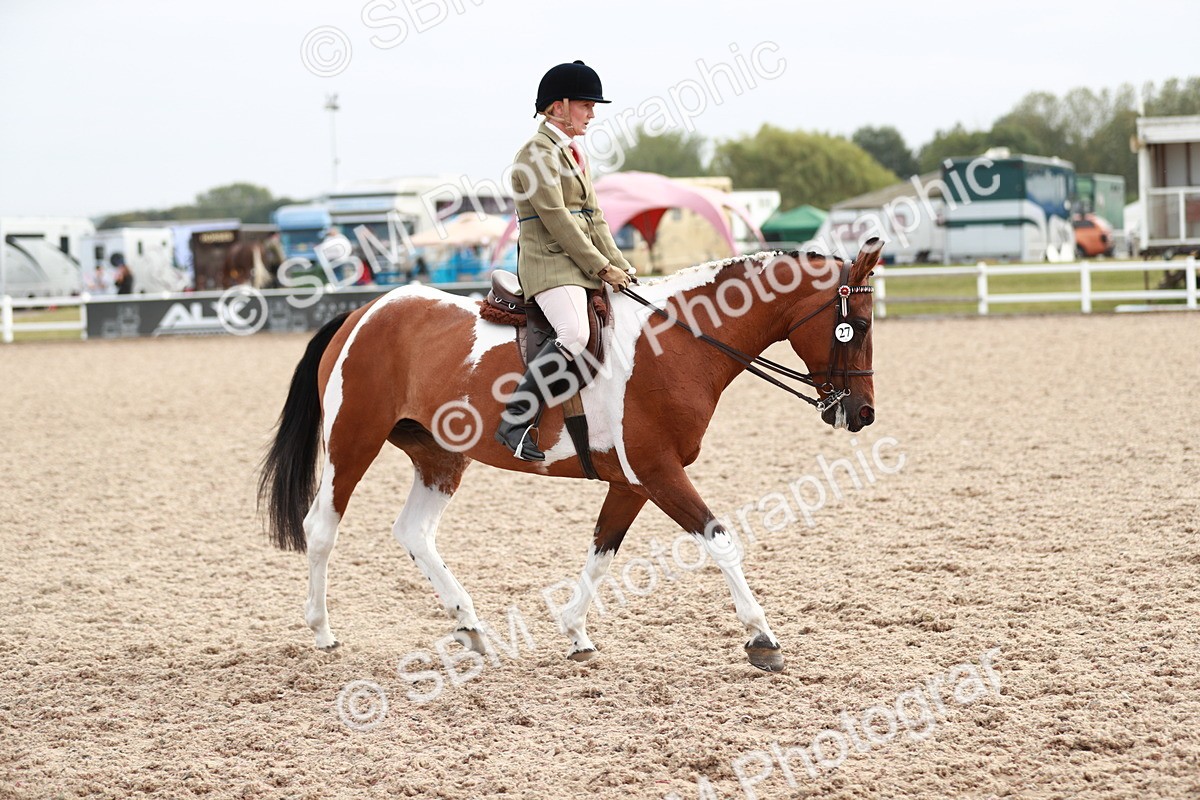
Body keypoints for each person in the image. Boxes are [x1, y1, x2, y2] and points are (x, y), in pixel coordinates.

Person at [494, 60, 636, 462]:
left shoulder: (574, 152)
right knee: (573, 333)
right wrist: (600, 267)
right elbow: (558, 221)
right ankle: (515, 422)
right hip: (549, 264)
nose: (593, 114)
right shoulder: (534, 155)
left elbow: (595, 216)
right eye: (586, 105)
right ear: (558, 107)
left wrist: (621, 264)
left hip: (578, 262)